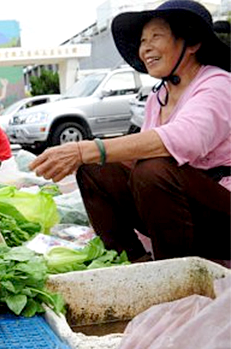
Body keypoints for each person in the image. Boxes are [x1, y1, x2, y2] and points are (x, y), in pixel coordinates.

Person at [29, 0, 231, 263]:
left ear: (191, 44)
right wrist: (90, 155)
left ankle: (176, 275)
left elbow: (187, 139)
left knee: (151, 169)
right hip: (178, 215)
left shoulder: (218, 85)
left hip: (220, 217)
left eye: (156, 36)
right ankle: (134, 262)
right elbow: (138, 154)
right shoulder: (157, 97)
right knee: (96, 168)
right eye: (143, 40)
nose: (145, 48)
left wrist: (88, 148)